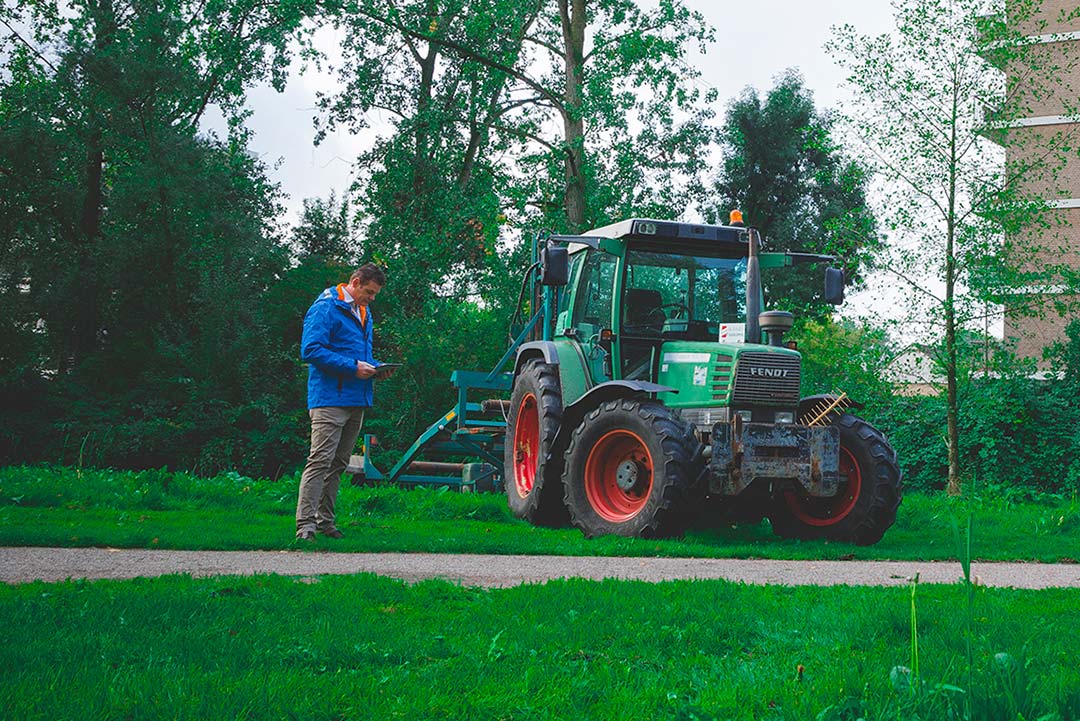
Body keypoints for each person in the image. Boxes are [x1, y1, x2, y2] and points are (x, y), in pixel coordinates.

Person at [295, 263, 392, 541]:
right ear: (355, 281)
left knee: (339, 463)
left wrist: (377, 368)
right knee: (320, 461)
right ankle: (305, 526)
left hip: (356, 397)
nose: (372, 298)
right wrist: (352, 368)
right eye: (370, 292)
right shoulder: (326, 307)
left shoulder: (363, 312)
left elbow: (361, 354)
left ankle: (325, 522)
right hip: (329, 398)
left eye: (374, 294)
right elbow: (310, 350)